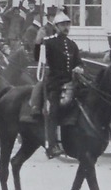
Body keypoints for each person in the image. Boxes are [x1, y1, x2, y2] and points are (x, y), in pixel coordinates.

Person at [26, 10, 83, 159]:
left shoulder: (72, 45)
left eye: (67, 24)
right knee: (54, 112)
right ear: (56, 26)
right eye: (63, 25)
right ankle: (51, 146)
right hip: (55, 83)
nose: (66, 27)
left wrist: (79, 67)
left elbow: (78, 61)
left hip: (71, 82)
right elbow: (38, 58)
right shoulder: (49, 42)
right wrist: (38, 42)